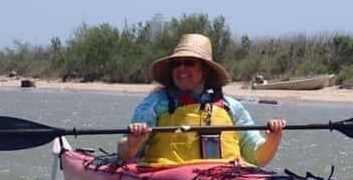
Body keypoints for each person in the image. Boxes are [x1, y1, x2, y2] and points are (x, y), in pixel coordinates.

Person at [117, 33, 286, 167]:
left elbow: (257, 158)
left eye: (189, 63)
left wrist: (273, 139)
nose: (181, 68)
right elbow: (125, 154)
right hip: (168, 176)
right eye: (176, 64)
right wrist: (134, 141)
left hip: (226, 176)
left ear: (204, 70)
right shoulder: (155, 104)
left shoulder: (231, 107)